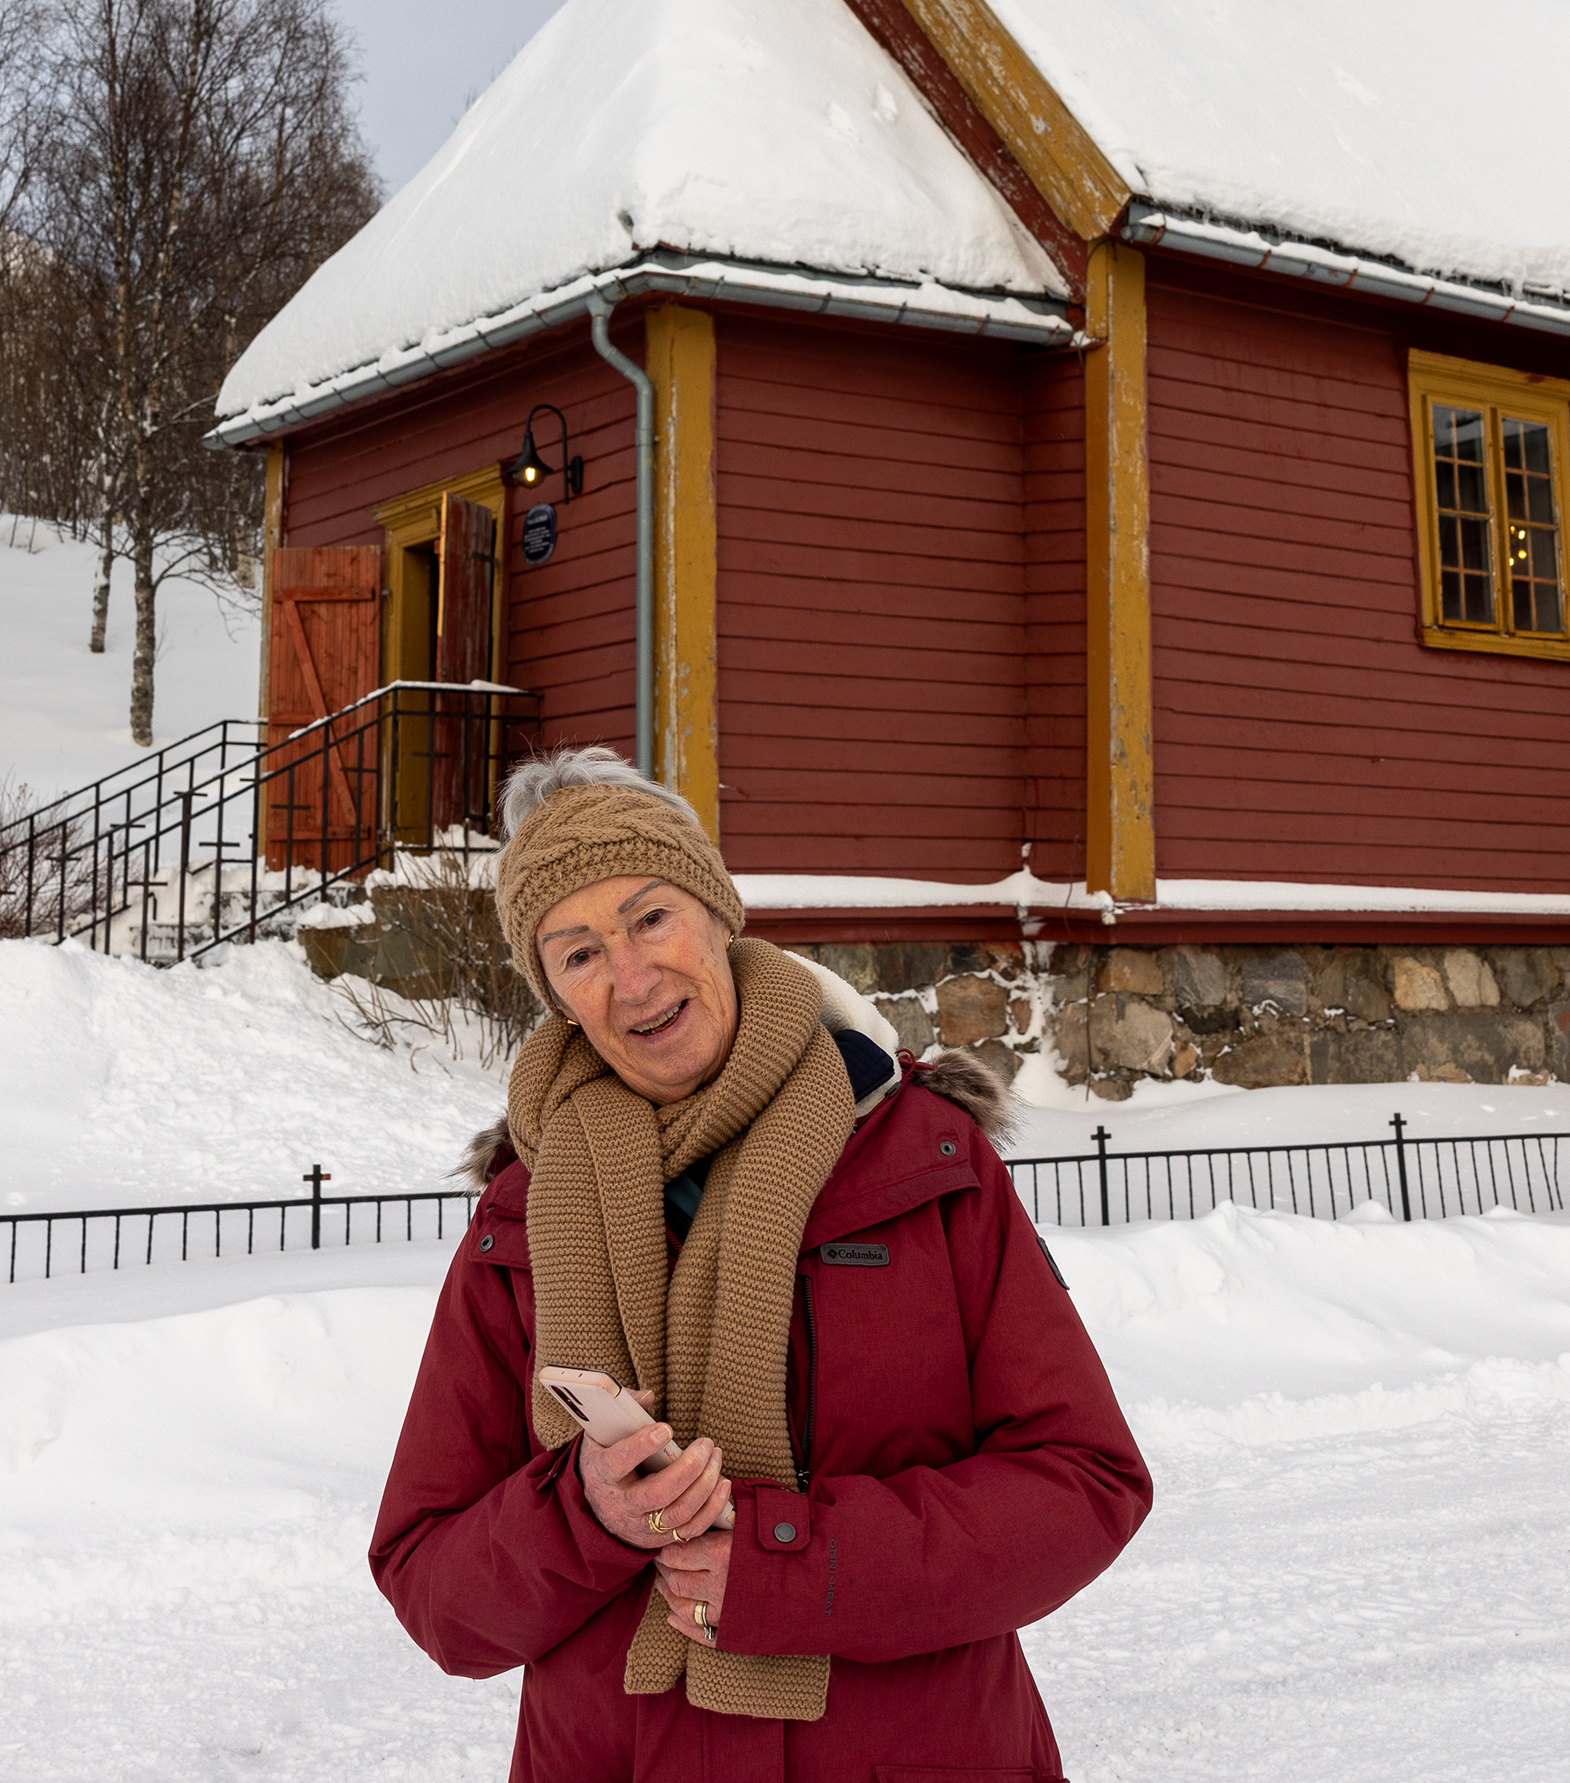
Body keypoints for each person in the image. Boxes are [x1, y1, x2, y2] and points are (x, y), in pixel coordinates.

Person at [372, 748, 1151, 1781]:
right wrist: (584, 1512)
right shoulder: (524, 1217)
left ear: (716, 908)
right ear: (553, 990)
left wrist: (799, 1565)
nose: (633, 976)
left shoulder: (923, 1157)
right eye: (578, 951)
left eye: (651, 917)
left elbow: (1082, 1483)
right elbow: (435, 1587)